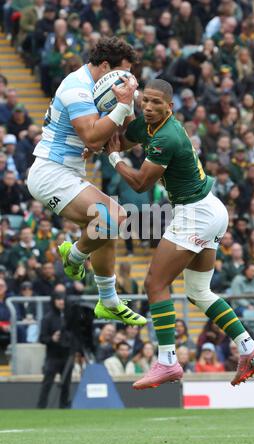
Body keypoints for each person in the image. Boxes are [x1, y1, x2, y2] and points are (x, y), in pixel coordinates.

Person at [103, 78, 254, 389]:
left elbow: (140, 183)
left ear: (171, 107)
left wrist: (114, 160)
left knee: (155, 283)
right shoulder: (149, 124)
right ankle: (249, 347)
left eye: (156, 103)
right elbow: (123, 138)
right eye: (145, 102)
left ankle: (167, 360)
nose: (149, 108)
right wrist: (118, 111)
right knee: (198, 293)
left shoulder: (167, 136)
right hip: (209, 209)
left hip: (196, 213)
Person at [26, 37, 146, 328]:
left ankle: (108, 301)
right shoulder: (75, 87)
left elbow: (122, 140)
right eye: (123, 73)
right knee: (113, 217)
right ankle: (74, 256)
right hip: (50, 173)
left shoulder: (107, 89)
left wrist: (148, 118)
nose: (127, 80)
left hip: (68, 174)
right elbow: (93, 137)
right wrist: (121, 106)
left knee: (106, 226)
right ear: (105, 66)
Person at [37, 292, 80, 408]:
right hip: (53, 356)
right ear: (53, 301)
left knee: (66, 384)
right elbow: (41, 338)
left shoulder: (69, 317)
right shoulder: (47, 318)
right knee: (47, 384)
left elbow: (76, 335)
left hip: (67, 355)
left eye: (63, 299)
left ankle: (63, 406)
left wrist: (74, 349)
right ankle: (41, 407)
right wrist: (52, 339)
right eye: (58, 299)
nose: (61, 302)